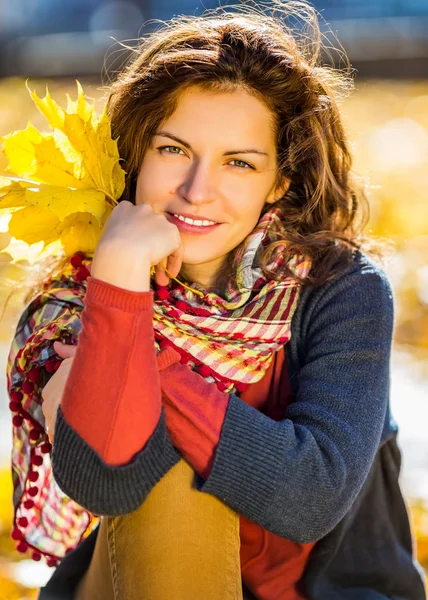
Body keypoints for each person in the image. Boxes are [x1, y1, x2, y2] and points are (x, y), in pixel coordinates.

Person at [5, 2, 426, 599]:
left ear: (279, 180)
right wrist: (119, 279)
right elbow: (106, 483)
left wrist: (145, 358)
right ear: (134, 154)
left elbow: (308, 496)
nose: (197, 192)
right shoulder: (79, 301)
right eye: (173, 150)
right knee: (167, 481)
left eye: (238, 163)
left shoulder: (341, 290)